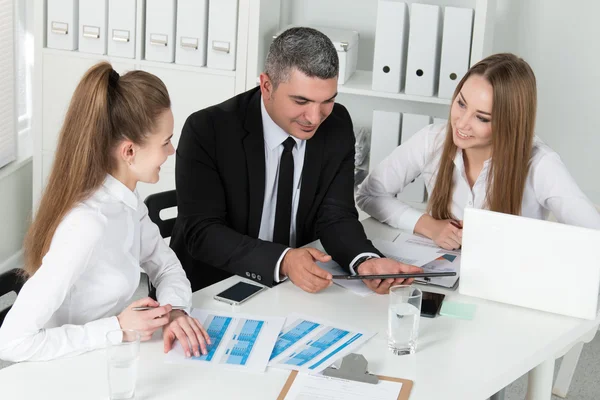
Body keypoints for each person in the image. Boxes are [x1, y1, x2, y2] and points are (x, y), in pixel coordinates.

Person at [170, 27, 422, 295]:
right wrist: (283, 260)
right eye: (301, 101)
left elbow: (335, 214)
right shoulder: (208, 129)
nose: (314, 118)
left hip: (292, 286)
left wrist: (364, 260)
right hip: (215, 284)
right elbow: (202, 233)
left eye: (327, 101)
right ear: (267, 86)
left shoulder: (336, 125)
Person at [0, 62, 210, 362]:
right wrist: (118, 328)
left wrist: (175, 310)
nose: (171, 151)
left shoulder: (126, 202)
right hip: (65, 370)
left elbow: (166, 267)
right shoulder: (87, 224)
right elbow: (11, 341)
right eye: (165, 142)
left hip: (104, 359)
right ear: (129, 152)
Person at [357, 53, 600, 250]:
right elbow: (369, 195)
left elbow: (593, 235)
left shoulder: (540, 165)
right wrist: (429, 225)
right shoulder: (433, 141)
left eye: (481, 118)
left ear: (509, 122)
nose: (461, 123)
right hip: (444, 274)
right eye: (461, 103)